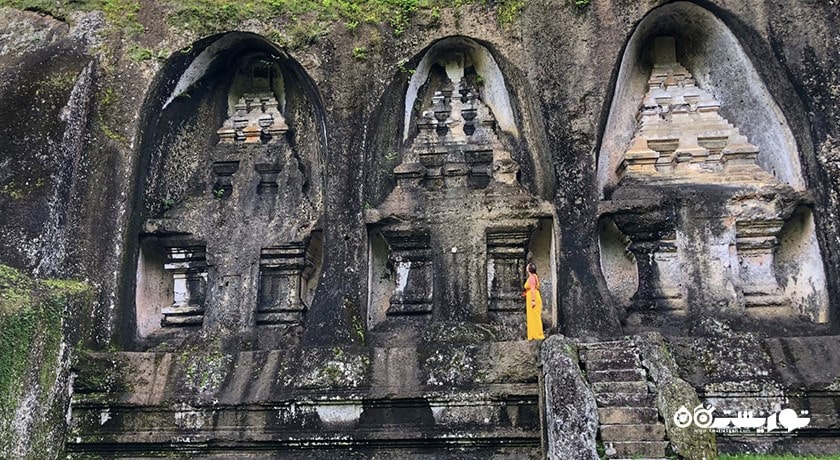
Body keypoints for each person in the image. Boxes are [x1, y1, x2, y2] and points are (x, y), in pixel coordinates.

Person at [523, 262, 544, 340]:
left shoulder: (532, 277)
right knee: (533, 316)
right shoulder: (535, 276)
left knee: (534, 316)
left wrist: (533, 300)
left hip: (533, 296)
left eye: (527, 266)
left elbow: (532, 289)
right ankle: (534, 334)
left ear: (529, 269)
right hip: (533, 295)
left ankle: (537, 335)